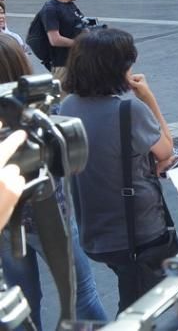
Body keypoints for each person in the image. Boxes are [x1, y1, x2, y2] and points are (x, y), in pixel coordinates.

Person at [60, 28, 178, 311]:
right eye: (128, 64)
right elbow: (166, 150)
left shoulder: (67, 106)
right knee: (137, 309)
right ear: (114, 69)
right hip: (138, 233)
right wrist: (149, 98)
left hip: (96, 230)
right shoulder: (129, 111)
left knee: (131, 290)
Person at [0, 34, 107, 327]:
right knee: (82, 293)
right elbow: (70, 160)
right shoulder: (43, 109)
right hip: (52, 216)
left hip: (7, 219)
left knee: (22, 303)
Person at [41, 0, 86, 80]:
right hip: (62, 66)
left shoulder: (71, 6)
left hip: (77, 62)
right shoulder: (50, 8)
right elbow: (54, 39)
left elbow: (82, 24)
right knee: (65, 97)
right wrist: (78, 44)